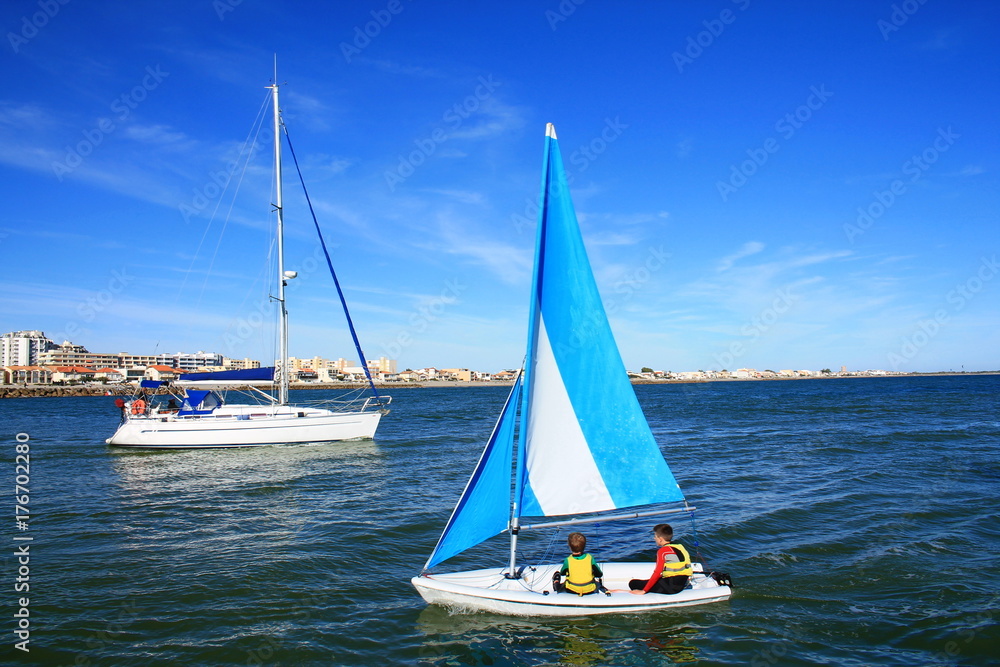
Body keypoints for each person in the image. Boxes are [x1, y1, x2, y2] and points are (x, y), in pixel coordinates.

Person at [629, 523, 692, 595]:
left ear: (661, 539)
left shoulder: (662, 551)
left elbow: (657, 573)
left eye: (655, 536)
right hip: (682, 583)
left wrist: (644, 591)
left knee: (633, 583)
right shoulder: (680, 546)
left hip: (671, 588)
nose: (654, 538)